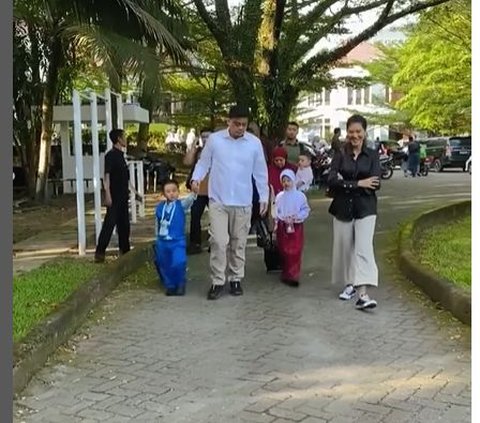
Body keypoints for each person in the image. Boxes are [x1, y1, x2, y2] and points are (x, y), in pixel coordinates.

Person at [190, 105, 269, 300]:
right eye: (237, 124)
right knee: (218, 241)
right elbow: (204, 162)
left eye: (244, 124)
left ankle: (235, 278)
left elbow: (260, 172)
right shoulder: (216, 140)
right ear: (229, 122)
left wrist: (264, 196)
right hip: (218, 199)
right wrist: (196, 178)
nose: (240, 128)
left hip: (243, 200)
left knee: (238, 242)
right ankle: (218, 280)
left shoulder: (254, 143)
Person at [327, 114, 381, 310]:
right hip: (343, 209)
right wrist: (358, 183)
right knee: (345, 249)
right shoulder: (340, 154)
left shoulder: (372, 155)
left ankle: (363, 294)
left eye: (358, 131)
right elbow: (332, 180)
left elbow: (375, 184)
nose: (355, 135)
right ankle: (349, 284)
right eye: (351, 132)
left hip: (366, 209)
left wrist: (346, 183)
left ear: (365, 132)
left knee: (363, 249)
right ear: (346, 133)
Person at [94, 129, 142, 263]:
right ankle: (100, 252)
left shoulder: (121, 156)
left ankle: (125, 251)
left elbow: (125, 179)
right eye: (124, 137)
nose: (126, 139)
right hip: (114, 196)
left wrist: (135, 192)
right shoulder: (111, 155)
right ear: (119, 139)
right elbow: (106, 176)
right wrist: (107, 194)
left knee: (124, 225)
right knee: (109, 224)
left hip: (123, 196)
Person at [153, 180, 196, 296]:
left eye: (174, 191)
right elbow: (157, 223)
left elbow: (190, 200)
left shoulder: (181, 205)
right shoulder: (159, 208)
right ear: (163, 194)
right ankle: (170, 285)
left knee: (179, 262)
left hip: (177, 240)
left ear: (178, 192)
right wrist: (156, 238)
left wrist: (194, 192)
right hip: (163, 241)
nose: (171, 194)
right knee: (165, 263)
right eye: (168, 191)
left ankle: (180, 283)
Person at [275, 169, 310, 287]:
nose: (286, 183)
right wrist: (280, 219)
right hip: (283, 226)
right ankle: (286, 273)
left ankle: (294, 275)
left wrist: (297, 217)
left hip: (296, 226)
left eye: (288, 180)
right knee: (284, 250)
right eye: (283, 181)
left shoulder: (300, 196)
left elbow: (305, 209)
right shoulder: (280, 196)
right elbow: (276, 210)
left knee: (295, 250)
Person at [183, 128, 212, 254]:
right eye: (203, 136)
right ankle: (195, 243)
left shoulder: (217, 151)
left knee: (216, 218)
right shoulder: (198, 151)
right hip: (199, 191)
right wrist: (193, 147)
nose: (206, 139)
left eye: (208, 136)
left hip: (214, 191)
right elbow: (187, 162)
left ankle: (215, 242)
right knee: (195, 215)